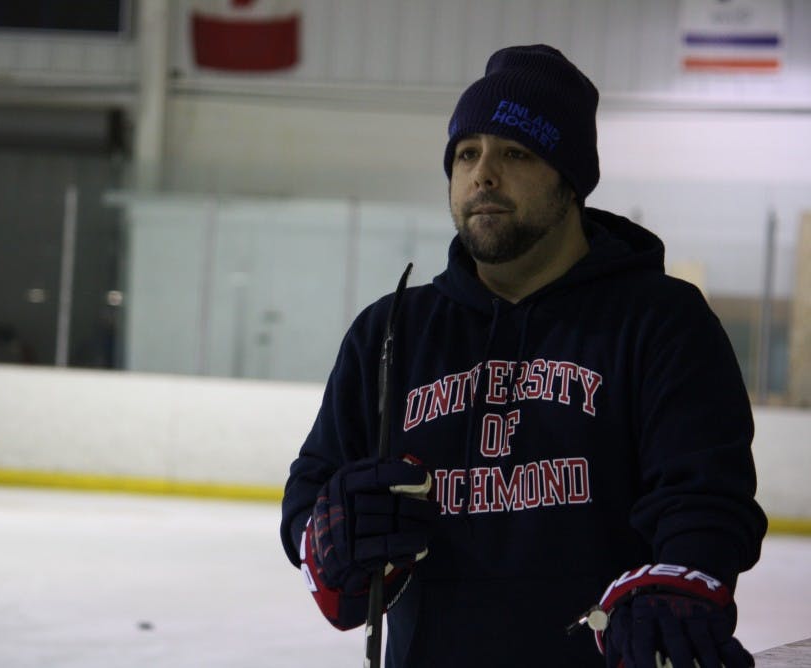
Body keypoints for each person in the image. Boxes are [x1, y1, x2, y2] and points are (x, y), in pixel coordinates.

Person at [280, 45, 766, 667]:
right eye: (466, 154)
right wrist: (325, 532)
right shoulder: (391, 329)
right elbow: (311, 487)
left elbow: (705, 495)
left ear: (569, 179)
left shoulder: (662, 321)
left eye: (515, 153)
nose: (483, 174)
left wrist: (681, 575)